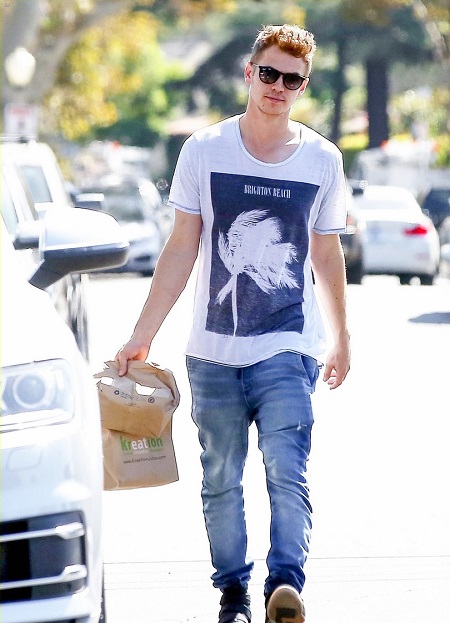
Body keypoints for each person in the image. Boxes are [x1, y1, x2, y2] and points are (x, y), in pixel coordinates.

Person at [116, 23, 351, 623]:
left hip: (288, 344)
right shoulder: (204, 150)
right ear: (249, 74)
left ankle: (285, 586)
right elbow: (180, 249)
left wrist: (342, 336)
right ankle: (232, 593)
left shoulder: (323, 159)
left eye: (291, 79)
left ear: (303, 86)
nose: (277, 87)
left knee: (285, 464)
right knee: (220, 477)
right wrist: (143, 334)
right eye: (268, 73)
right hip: (213, 352)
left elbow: (325, 252)